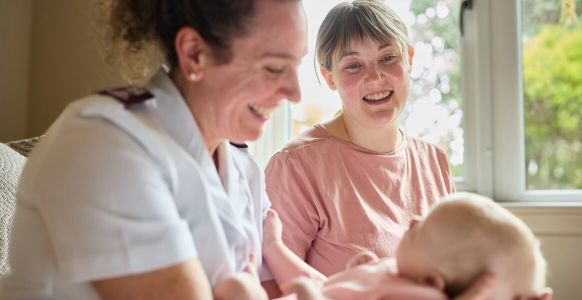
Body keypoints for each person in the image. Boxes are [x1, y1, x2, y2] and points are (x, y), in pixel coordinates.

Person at [0, 0, 308, 299]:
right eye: (274, 68)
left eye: (297, 66)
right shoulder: (105, 146)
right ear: (194, 53)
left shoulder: (244, 170)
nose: (295, 93)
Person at [265, 0, 454, 278]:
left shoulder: (434, 162)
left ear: (409, 59)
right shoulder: (297, 166)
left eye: (388, 58)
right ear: (329, 77)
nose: (375, 76)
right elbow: (272, 287)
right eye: (353, 65)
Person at [263, 192, 553, 300]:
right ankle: (273, 247)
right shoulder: (401, 270)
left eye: (422, 228)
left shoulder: (422, 295)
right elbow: (332, 287)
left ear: (432, 280)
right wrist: (356, 276)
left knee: (240, 289)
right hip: (317, 289)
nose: (414, 220)